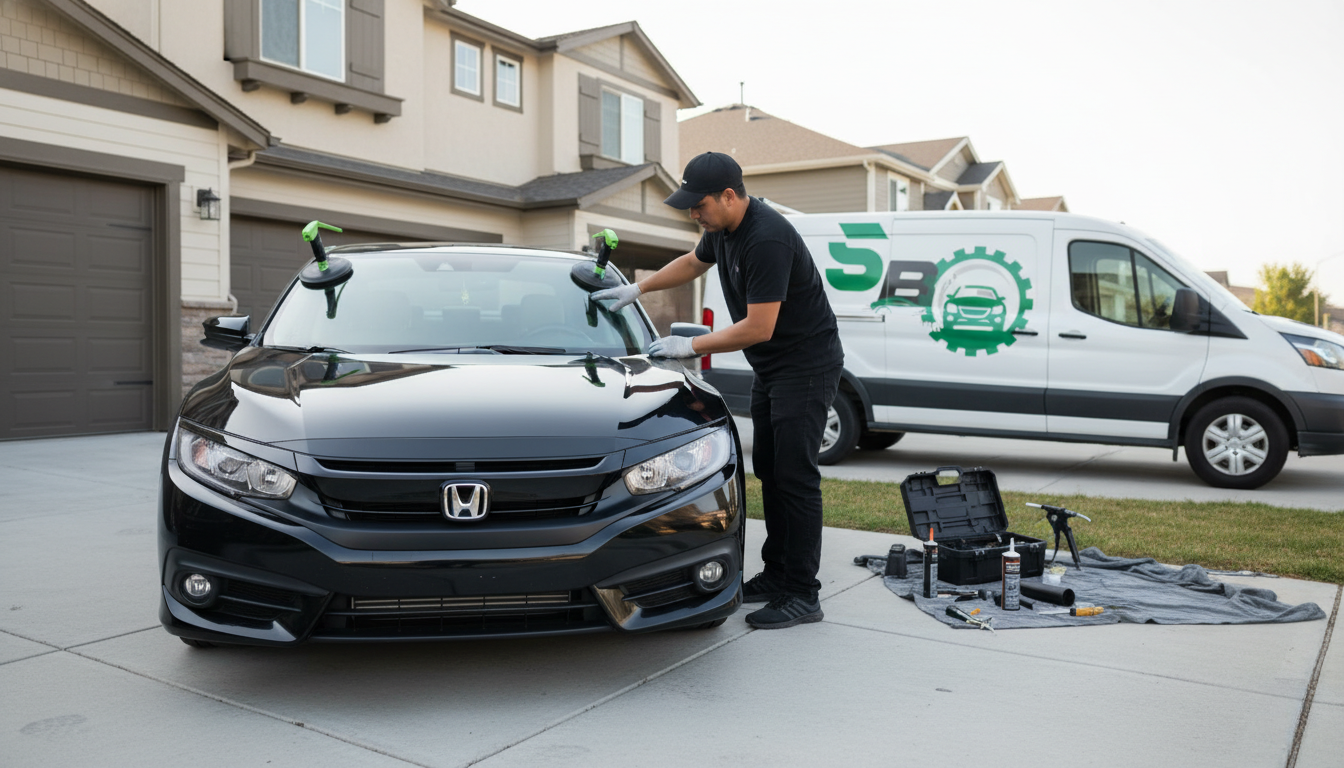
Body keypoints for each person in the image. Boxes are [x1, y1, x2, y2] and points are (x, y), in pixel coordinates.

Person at [592, 152, 844, 629]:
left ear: (730, 196)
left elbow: (759, 327)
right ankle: (777, 574)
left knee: (795, 477)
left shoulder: (766, 238)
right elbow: (693, 261)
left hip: (805, 368)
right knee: (771, 470)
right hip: (775, 370)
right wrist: (638, 289)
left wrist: (691, 344)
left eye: (699, 204)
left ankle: (803, 593)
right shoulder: (723, 230)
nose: (693, 213)